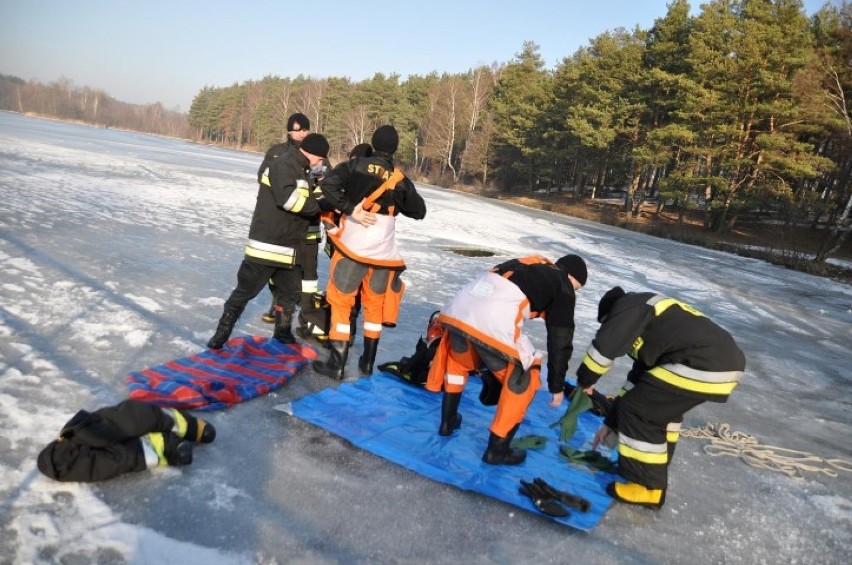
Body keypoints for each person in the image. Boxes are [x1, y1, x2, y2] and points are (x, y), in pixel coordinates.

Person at [579, 286, 746, 508]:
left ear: (609, 316)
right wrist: (610, 423)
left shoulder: (628, 308)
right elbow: (637, 384)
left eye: (607, 323)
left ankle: (648, 487)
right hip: (720, 362)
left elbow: (603, 349)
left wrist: (585, 381)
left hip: (704, 362)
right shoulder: (650, 320)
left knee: (639, 411)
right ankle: (656, 468)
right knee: (657, 409)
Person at [425, 254, 588, 466]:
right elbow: (560, 339)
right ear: (573, 277)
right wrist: (556, 385)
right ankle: (497, 450)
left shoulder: (528, 264)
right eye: (578, 287)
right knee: (525, 376)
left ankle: (448, 422)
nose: (575, 291)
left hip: (457, 309)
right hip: (491, 317)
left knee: (459, 362)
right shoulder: (563, 285)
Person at [313, 125, 426, 380]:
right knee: (374, 305)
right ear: (395, 148)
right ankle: (367, 362)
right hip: (384, 254)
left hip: (353, 248)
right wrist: (395, 202)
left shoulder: (355, 166)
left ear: (373, 144)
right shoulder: (399, 178)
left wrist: (350, 208)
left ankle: (337, 363)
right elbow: (419, 211)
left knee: (342, 301)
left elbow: (328, 187)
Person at [207, 133, 330, 349]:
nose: (321, 164)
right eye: (320, 159)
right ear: (311, 153)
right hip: (267, 245)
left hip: (291, 247)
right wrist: (322, 206)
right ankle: (221, 335)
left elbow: (311, 196)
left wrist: (320, 185)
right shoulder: (282, 165)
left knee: (289, 294)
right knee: (245, 292)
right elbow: (290, 201)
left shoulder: (304, 170)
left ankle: (282, 333)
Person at [37, 400, 216, 482]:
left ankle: (174, 423)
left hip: (71, 442)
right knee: (112, 453)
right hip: (64, 455)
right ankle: (157, 445)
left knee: (125, 421)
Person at [256, 113, 312, 324]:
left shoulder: (315, 154)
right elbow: (262, 178)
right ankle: (276, 304)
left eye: (305, 129)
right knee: (273, 268)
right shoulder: (276, 153)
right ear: (289, 131)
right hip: (277, 221)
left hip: (302, 223)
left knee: (299, 271)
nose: (301, 133)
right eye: (297, 129)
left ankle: (297, 313)